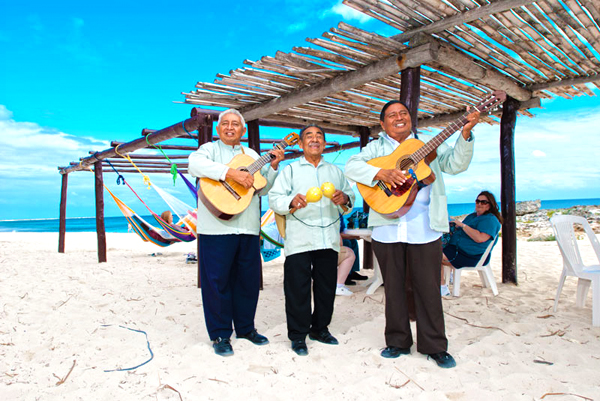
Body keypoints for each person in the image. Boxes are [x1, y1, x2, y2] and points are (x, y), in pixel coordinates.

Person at [345, 100, 480, 369]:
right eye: (391, 115)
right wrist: (381, 172)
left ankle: (435, 346)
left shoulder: (428, 145)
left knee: (429, 289)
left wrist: (465, 134)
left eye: (403, 114)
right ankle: (397, 342)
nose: (398, 118)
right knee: (393, 288)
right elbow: (351, 167)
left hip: (425, 228)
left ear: (411, 119)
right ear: (383, 124)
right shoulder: (375, 148)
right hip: (386, 228)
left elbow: (456, 164)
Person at [188, 108, 284, 357]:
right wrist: (232, 174)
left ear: (243, 131)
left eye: (236, 124)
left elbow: (261, 189)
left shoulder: (252, 154)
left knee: (247, 282)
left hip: (248, 228)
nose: (230, 127)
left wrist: (272, 168)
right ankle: (220, 334)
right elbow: (194, 165)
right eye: (225, 124)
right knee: (217, 283)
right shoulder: (208, 150)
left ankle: (245, 328)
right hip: (215, 229)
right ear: (218, 130)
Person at [269, 124, 355, 356]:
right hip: (299, 238)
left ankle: (320, 329)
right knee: (297, 288)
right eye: (309, 136)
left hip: (328, 238)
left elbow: (350, 198)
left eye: (319, 136)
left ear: (324, 144)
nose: (314, 140)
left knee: (326, 287)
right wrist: (291, 201)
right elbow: (274, 199)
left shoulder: (335, 172)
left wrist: (344, 197)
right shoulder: (290, 170)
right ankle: (298, 336)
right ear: (300, 144)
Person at [441, 191, 503, 295]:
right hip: (457, 249)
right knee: (433, 248)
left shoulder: (490, 220)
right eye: (478, 201)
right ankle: (448, 277)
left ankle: (442, 287)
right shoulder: (473, 216)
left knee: (433, 256)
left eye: (483, 202)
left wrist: (463, 226)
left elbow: (480, 238)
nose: (479, 204)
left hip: (470, 255)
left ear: (490, 205)